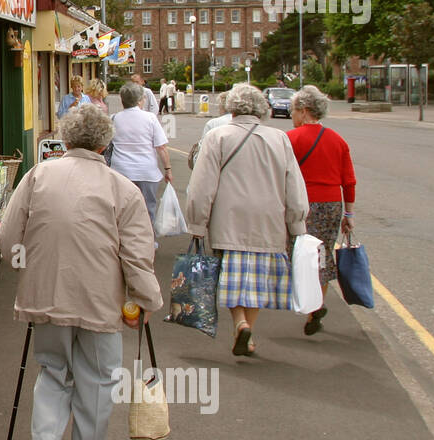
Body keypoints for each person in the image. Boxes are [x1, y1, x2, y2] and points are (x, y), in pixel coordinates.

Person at [0, 103, 163, 440]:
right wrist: (147, 300)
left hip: (47, 293)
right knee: (98, 378)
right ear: (106, 144)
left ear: (66, 139)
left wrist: (27, 266)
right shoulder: (123, 189)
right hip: (100, 301)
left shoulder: (39, 175)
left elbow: (8, 237)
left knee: (53, 367)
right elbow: (137, 255)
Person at [186, 83, 309, 358]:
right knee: (256, 280)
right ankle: (247, 332)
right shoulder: (280, 139)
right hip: (269, 220)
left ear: (231, 107)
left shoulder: (218, 137)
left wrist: (196, 223)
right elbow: (294, 186)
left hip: (227, 220)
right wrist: (297, 223)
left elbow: (201, 186)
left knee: (230, 276)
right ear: (262, 109)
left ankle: (239, 322)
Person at [287, 85, 356, 336]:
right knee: (322, 254)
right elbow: (349, 181)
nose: (292, 115)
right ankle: (316, 306)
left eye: (294, 110)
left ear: (304, 111)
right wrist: (348, 214)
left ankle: (304, 300)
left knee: (297, 253)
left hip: (302, 204)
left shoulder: (291, 139)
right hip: (331, 205)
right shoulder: (338, 140)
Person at [110, 82, 173, 229]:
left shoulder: (114, 118)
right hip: (147, 172)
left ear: (122, 100)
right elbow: (161, 147)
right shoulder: (150, 118)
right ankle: (148, 241)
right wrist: (168, 169)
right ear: (140, 100)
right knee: (147, 208)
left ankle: (123, 241)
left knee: (122, 210)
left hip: (121, 172)